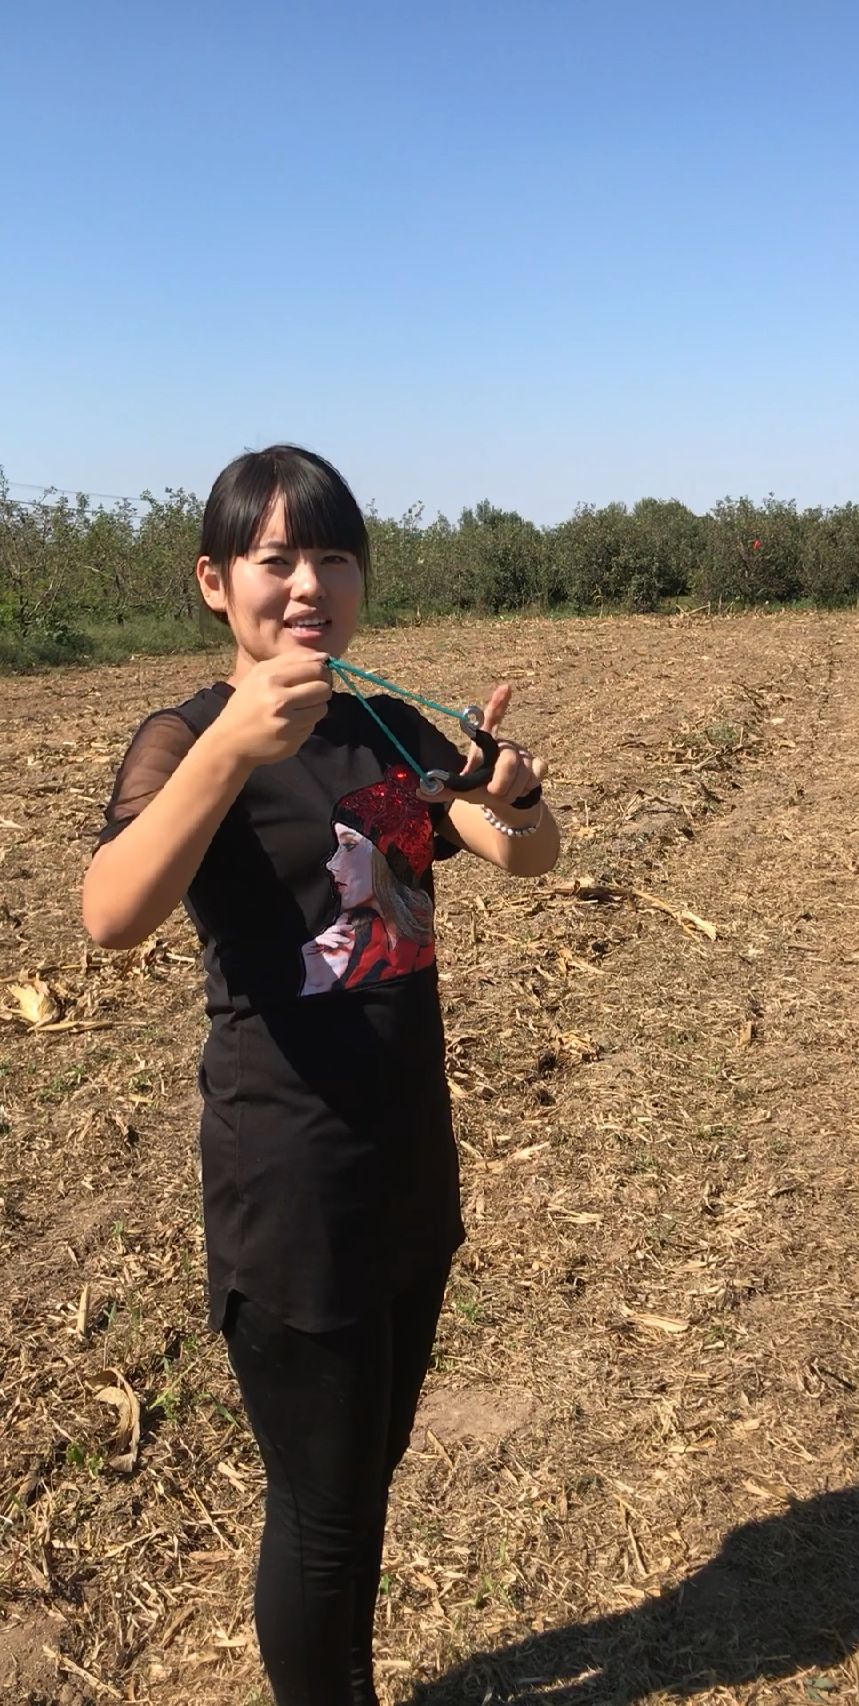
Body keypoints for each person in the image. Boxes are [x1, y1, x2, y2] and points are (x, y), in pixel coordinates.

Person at [82, 444, 560, 1706]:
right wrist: (232, 747)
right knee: (324, 1509)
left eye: (334, 556)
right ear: (214, 580)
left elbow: (522, 853)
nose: (309, 585)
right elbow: (110, 914)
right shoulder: (187, 737)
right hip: (290, 1183)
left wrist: (512, 788)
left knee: (366, 1474)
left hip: (407, 1157)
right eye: (276, 558)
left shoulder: (382, 723)